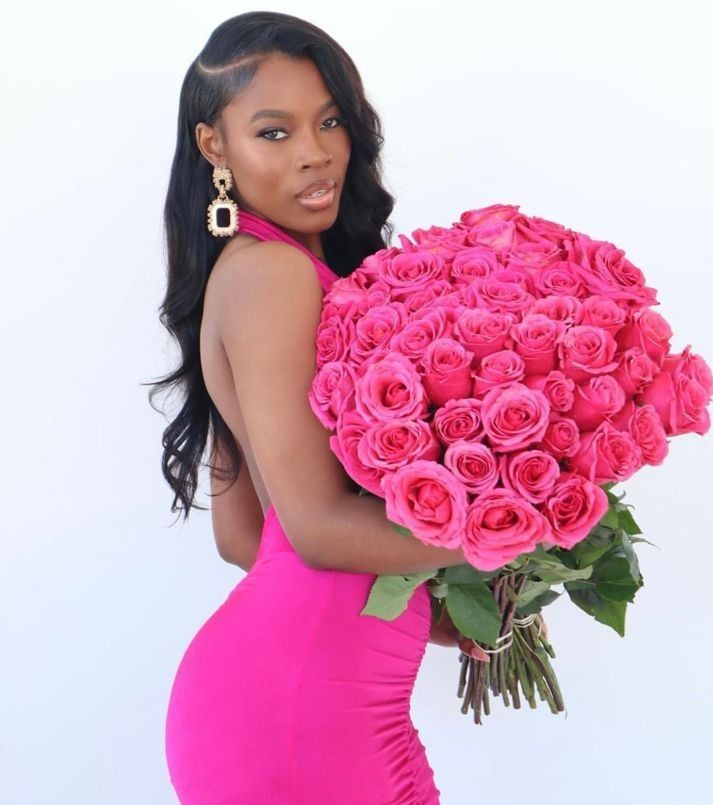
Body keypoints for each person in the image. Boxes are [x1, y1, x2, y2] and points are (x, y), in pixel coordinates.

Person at [150, 12, 472, 803]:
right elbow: (319, 531)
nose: (316, 151)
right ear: (213, 147)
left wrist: (430, 600)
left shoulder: (261, 270)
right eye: (274, 131)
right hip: (305, 715)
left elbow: (248, 536)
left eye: (330, 120)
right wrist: (513, 528)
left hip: (296, 706)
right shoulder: (273, 277)